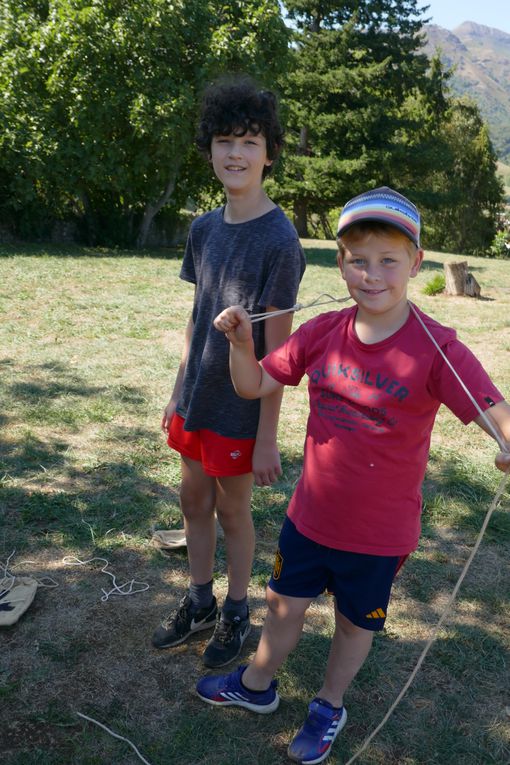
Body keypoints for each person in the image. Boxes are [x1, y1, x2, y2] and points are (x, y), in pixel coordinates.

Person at [196, 186, 510, 764]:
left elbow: (494, 409)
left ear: (415, 264)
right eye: (358, 260)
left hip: (378, 533)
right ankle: (258, 686)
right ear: (339, 263)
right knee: (283, 604)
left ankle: (328, 705)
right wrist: (242, 343)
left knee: (352, 626)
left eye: (388, 260)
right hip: (310, 516)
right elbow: (254, 384)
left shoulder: (438, 349)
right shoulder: (322, 332)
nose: (372, 275)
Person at [152, 76, 305, 669]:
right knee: (193, 499)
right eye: (224, 140)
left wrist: (267, 436)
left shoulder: (281, 240)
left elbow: (279, 356)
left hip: (241, 410)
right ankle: (199, 602)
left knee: (233, 509)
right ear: (209, 149)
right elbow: (196, 320)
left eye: (249, 140)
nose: (235, 153)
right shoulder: (203, 229)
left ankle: (238, 610)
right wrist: (176, 392)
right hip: (196, 400)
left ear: (269, 151)